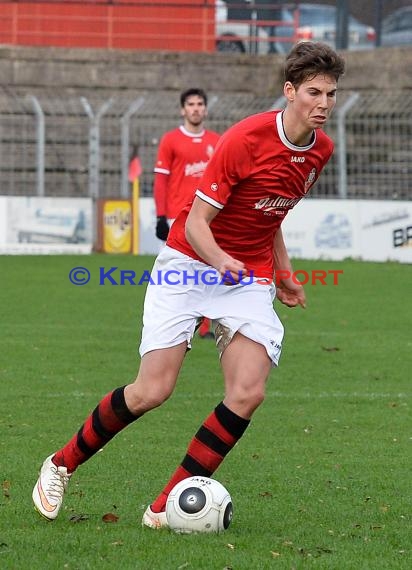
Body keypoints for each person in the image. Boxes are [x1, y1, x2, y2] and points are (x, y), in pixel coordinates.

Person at [32, 41, 345, 529]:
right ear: (289, 90)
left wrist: (282, 272)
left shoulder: (320, 150)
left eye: (330, 94)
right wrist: (221, 261)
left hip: (246, 276)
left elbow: (273, 213)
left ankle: (163, 509)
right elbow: (198, 222)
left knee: (247, 391)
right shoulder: (244, 139)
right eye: (313, 92)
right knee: (152, 390)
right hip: (190, 262)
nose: (323, 104)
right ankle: (60, 464)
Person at [154, 87, 220, 339]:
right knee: (177, 274)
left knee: (211, 269)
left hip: (209, 216)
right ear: (183, 110)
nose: (195, 108)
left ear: (205, 109)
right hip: (177, 217)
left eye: (199, 104)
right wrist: (160, 216)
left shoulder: (216, 141)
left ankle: (205, 327)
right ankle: (171, 321)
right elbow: (161, 180)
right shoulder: (170, 140)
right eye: (190, 104)